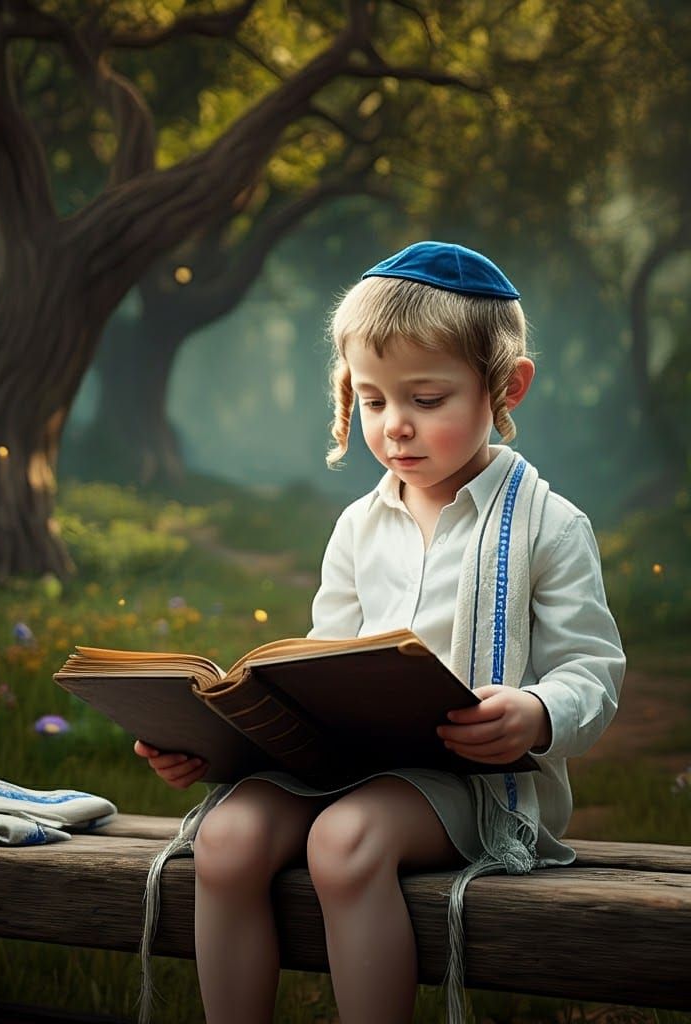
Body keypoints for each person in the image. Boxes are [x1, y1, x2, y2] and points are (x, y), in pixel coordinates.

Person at [134, 240, 625, 1024]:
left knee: (345, 841)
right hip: (346, 765)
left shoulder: (549, 526)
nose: (396, 427)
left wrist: (536, 713)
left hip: (471, 788)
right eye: (371, 401)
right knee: (226, 838)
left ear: (506, 386)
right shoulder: (358, 527)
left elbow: (592, 672)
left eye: (426, 399)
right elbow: (321, 667)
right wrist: (213, 743)